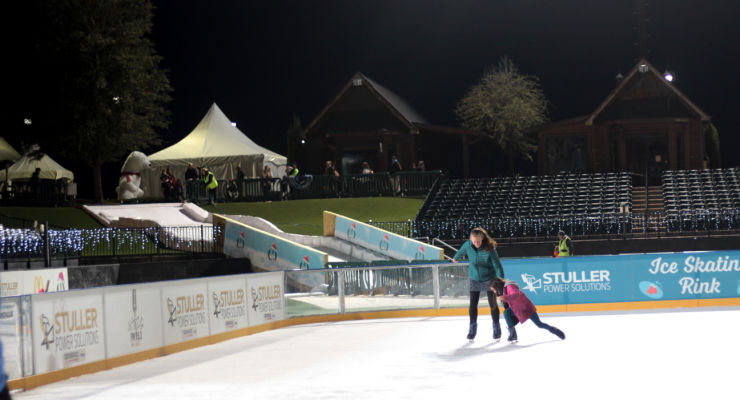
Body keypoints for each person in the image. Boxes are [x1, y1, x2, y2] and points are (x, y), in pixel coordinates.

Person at [453, 227, 505, 340]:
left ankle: (496, 327)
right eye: (474, 241)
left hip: (489, 278)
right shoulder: (467, 245)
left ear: (482, 239)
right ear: (471, 239)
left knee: (493, 304)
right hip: (474, 277)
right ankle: (472, 328)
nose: (476, 243)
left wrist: (500, 282)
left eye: (478, 241)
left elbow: (497, 266)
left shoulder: (489, 248)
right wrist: (456, 258)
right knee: (473, 304)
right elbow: (461, 251)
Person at [490, 277, 565, 343]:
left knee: (539, 324)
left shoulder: (509, 287)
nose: (494, 292)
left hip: (526, 308)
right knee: (506, 312)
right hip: (518, 309)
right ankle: (512, 335)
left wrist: (505, 298)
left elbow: (516, 295)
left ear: (497, 286)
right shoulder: (504, 290)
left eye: (494, 290)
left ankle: (554, 330)